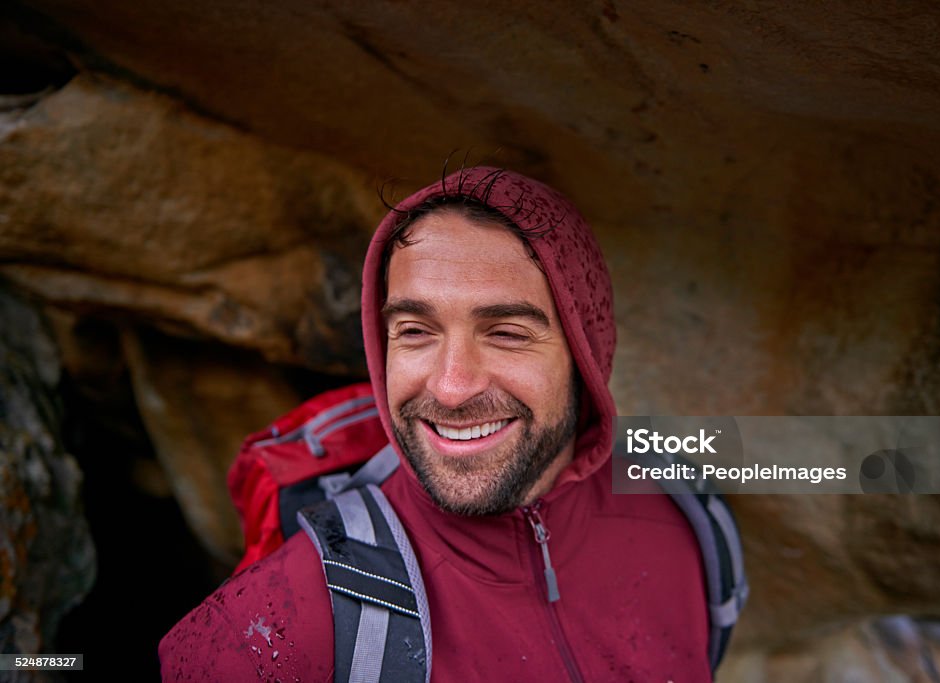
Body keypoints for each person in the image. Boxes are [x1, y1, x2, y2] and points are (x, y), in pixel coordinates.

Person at [159, 166, 711, 681]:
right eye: (416, 331)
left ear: (585, 359)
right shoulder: (266, 628)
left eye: (506, 333)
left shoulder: (689, 520)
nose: (450, 387)